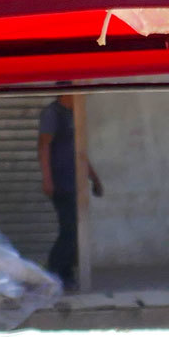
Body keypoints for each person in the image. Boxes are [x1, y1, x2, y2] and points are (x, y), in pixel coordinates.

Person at [38, 97, 103, 291]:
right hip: (60, 183)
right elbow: (44, 146)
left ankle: (65, 273)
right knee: (69, 230)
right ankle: (54, 272)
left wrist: (94, 178)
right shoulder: (52, 114)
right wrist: (47, 179)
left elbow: (80, 152)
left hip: (76, 183)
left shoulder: (74, 115)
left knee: (76, 232)